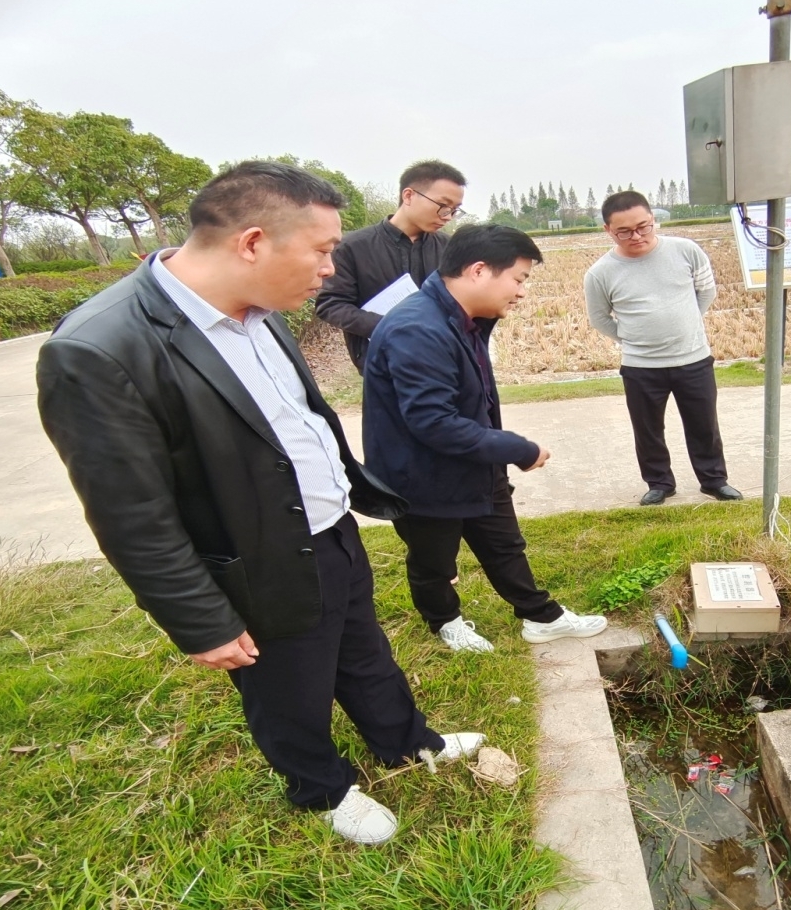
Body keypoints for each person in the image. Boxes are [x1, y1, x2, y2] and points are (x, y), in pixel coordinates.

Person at [36, 161, 485, 847]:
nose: (331, 271)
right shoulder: (100, 349)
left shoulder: (263, 312)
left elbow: (297, 418)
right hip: (254, 558)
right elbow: (131, 513)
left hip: (328, 528)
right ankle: (322, 786)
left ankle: (404, 741)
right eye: (322, 250)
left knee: (364, 652)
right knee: (289, 686)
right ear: (252, 242)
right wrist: (199, 621)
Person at [361, 224, 608, 653]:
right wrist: (519, 449)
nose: (522, 292)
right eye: (518, 278)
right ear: (478, 271)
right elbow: (433, 421)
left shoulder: (463, 317)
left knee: (504, 544)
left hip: (474, 460)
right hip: (424, 475)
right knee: (433, 559)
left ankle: (540, 616)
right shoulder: (418, 329)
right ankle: (445, 621)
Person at [583, 191, 742, 506]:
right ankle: (659, 483)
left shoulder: (685, 251)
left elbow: (706, 291)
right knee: (648, 430)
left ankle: (713, 480)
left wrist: (686, 325)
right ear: (607, 230)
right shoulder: (600, 273)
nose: (637, 236)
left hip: (694, 359)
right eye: (624, 231)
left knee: (703, 424)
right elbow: (599, 318)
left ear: (653, 219)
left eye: (644, 226)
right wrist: (632, 338)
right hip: (640, 366)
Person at [314, 159, 466, 374]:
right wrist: (391, 326)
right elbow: (331, 305)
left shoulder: (449, 248)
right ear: (409, 195)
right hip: (380, 361)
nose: (448, 217)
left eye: (455, 210)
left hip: (440, 358)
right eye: (442, 206)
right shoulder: (353, 247)